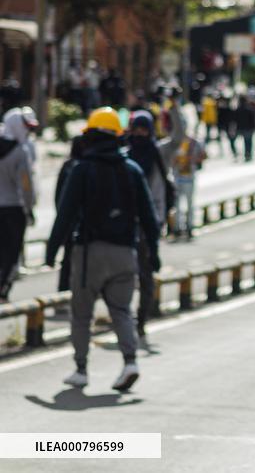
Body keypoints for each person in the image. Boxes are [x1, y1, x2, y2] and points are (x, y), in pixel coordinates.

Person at [44, 108, 160, 391]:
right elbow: (149, 217)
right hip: (125, 253)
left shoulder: (81, 169)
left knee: (82, 313)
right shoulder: (132, 170)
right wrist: (154, 252)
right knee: (121, 309)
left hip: (89, 253)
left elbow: (66, 214)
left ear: (91, 136)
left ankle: (81, 369)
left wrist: (52, 251)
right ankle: (130, 361)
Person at [125, 110, 176, 343]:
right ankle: (124, 319)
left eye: (144, 130)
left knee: (146, 273)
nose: (140, 134)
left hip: (151, 223)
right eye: (136, 129)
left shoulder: (159, 154)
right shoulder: (124, 155)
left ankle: (141, 319)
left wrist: (174, 107)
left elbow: (179, 138)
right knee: (122, 274)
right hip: (126, 223)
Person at [0, 109, 36, 302]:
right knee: (11, 252)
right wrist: (30, 209)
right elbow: (27, 186)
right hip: (13, 208)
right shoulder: (20, 152)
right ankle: (3, 290)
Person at [54, 136, 87, 292]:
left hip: (68, 221)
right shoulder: (84, 168)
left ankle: (63, 292)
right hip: (81, 222)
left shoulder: (68, 166)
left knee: (67, 260)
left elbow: (58, 196)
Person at [171, 122, 206, 241]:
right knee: (176, 205)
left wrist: (193, 159)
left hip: (189, 178)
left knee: (190, 204)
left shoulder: (194, 143)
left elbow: (204, 155)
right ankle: (177, 228)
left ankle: (189, 227)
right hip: (177, 177)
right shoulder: (174, 143)